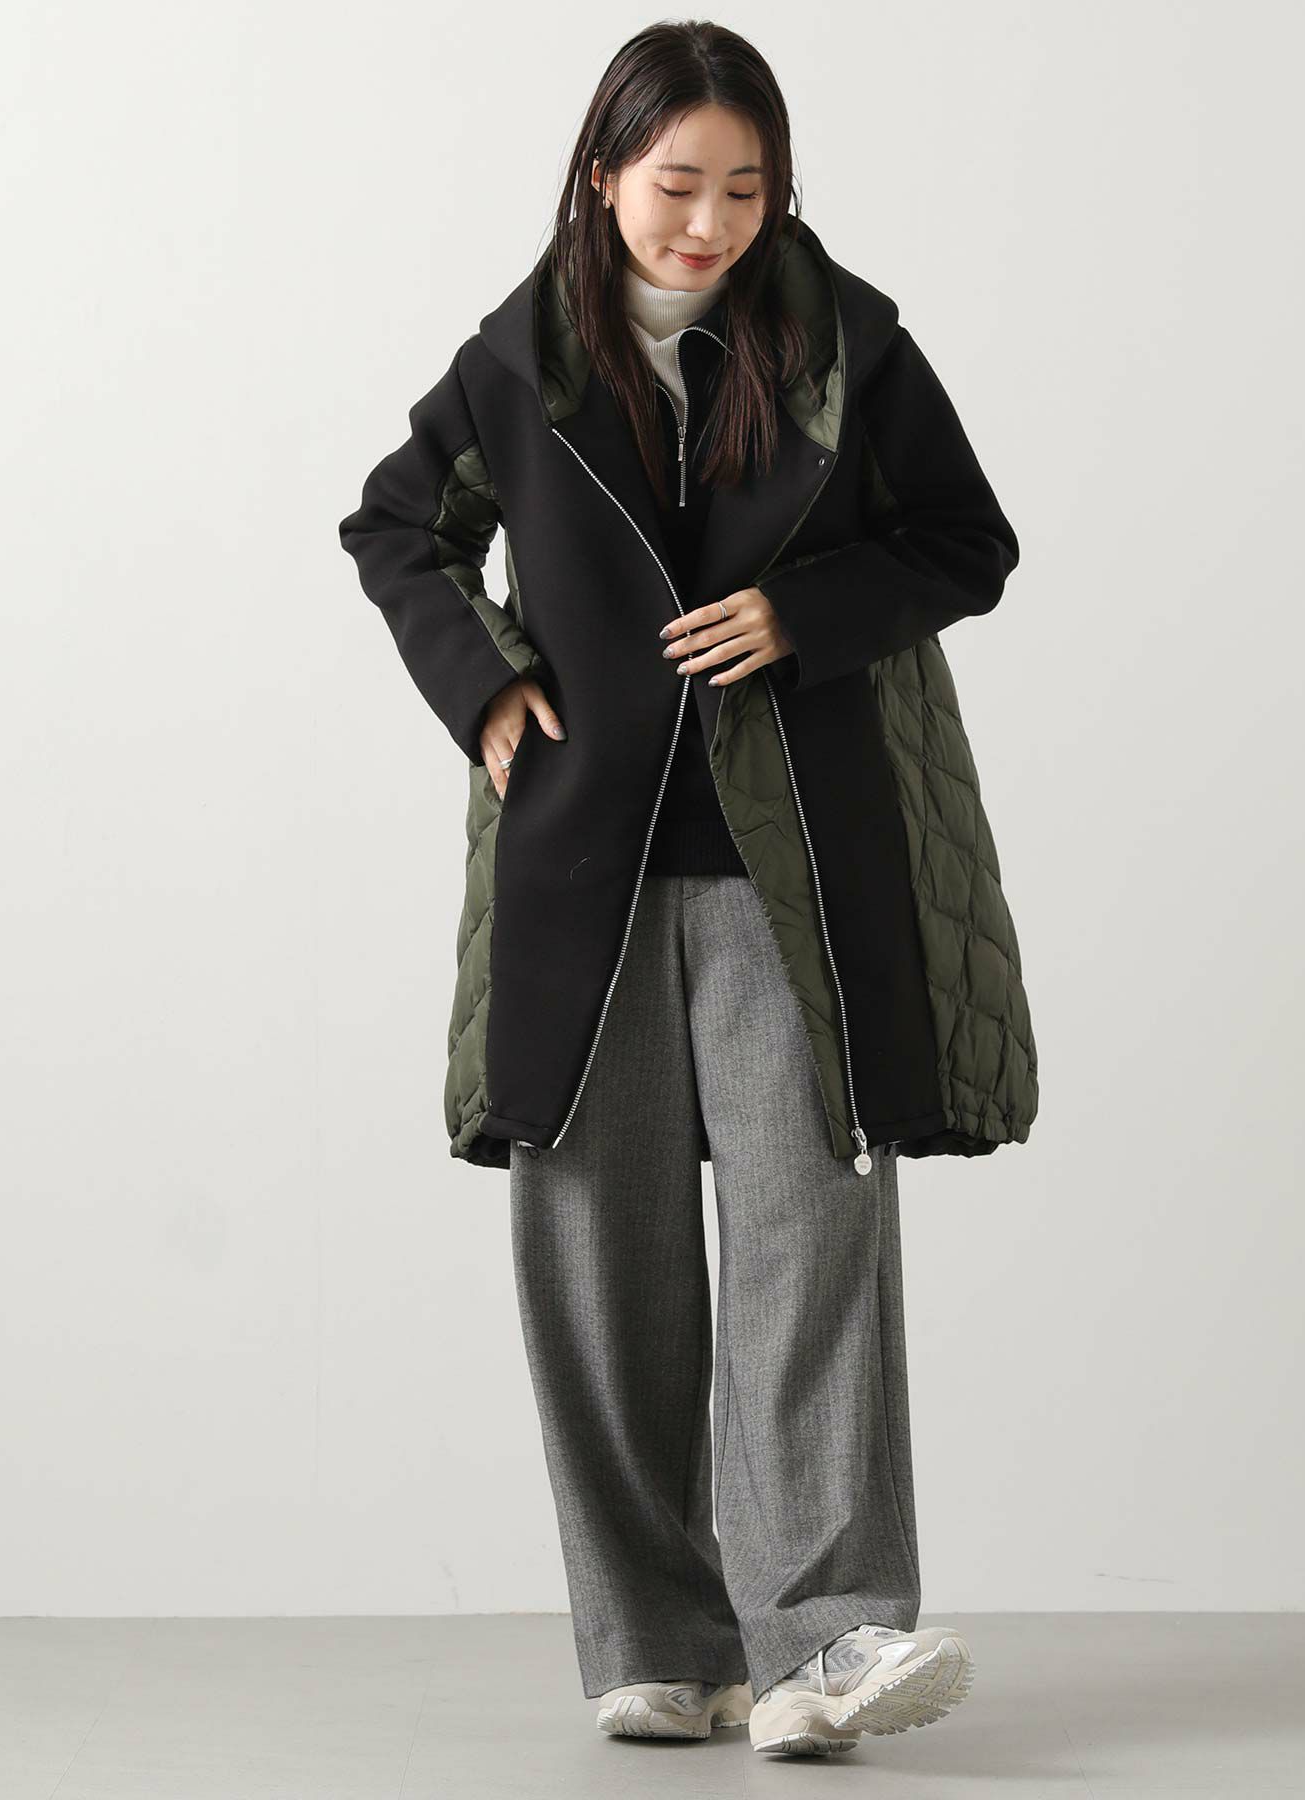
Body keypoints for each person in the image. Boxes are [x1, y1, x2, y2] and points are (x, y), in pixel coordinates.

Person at [338, 18, 1038, 1761]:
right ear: (603, 177)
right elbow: (396, 526)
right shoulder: (520, 362)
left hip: (794, 868)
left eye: (746, 187)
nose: (710, 222)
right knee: (601, 1261)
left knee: (814, 1240)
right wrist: (485, 681)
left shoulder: (848, 345)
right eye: (676, 185)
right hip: (582, 873)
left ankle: (828, 1641)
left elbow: (969, 540)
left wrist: (808, 613)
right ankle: (657, 1642)